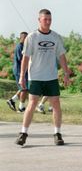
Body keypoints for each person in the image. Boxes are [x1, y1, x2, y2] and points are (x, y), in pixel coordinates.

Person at [15, 9, 71, 146]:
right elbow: (25, 58)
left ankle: (57, 134)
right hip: (35, 77)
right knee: (32, 103)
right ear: (39, 20)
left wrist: (66, 73)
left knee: (56, 104)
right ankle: (23, 133)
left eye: (50, 19)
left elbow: (61, 56)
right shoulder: (32, 37)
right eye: (45, 19)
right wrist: (22, 75)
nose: (47, 22)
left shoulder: (56, 37)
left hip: (51, 76)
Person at [6, 32, 29, 112]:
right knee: (24, 89)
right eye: (25, 37)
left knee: (25, 88)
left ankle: (12, 100)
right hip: (19, 70)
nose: (26, 39)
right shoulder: (19, 47)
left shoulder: (25, 46)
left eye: (27, 38)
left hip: (23, 70)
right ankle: (21, 107)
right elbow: (22, 59)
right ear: (21, 38)